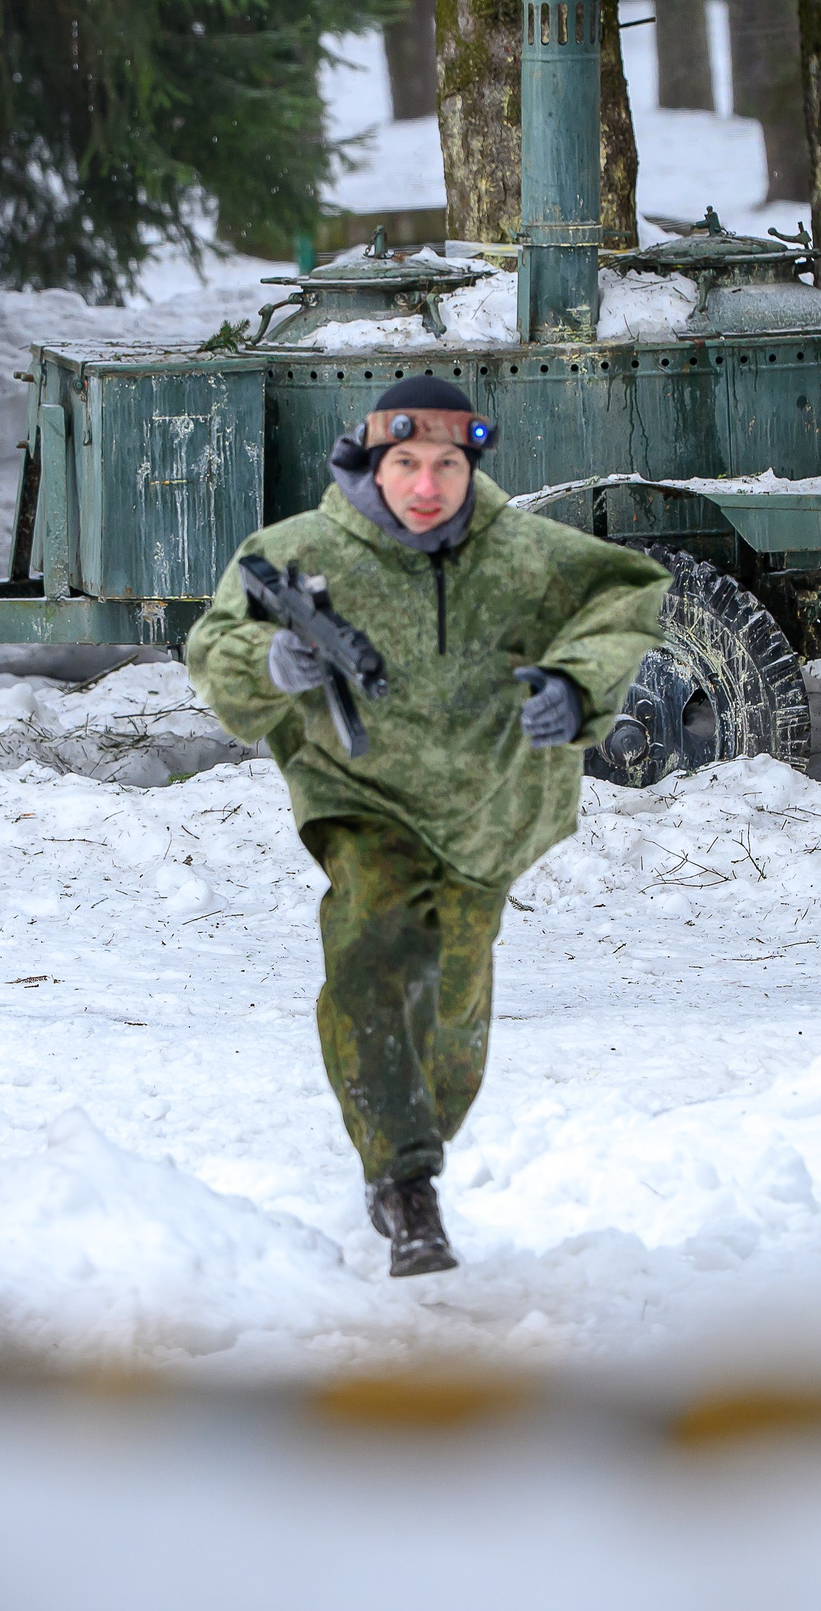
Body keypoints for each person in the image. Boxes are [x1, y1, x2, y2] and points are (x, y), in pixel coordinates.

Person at [185, 375, 668, 1277]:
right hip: (360, 796)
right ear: (372, 460)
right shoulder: (303, 549)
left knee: (452, 1009)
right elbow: (212, 648)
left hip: (488, 812)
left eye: (447, 464)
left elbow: (628, 594)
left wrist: (576, 685)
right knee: (372, 951)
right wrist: (273, 656)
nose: (425, 486)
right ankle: (405, 1186)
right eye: (405, 462)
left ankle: (412, 1134)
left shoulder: (521, 552)